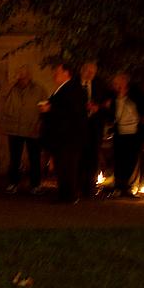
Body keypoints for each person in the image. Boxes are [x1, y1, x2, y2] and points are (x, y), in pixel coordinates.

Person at [39, 62, 87, 203]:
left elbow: (72, 112)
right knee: (62, 166)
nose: (55, 74)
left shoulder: (73, 89)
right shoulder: (62, 89)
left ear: (67, 73)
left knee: (68, 166)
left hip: (69, 137)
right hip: (61, 136)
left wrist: (50, 109)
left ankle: (69, 195)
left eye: (58, 71)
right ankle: (64, 194)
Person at [0, 65, 48, 195]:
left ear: (29, 76)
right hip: (14, 128)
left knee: (34, 158)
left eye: (24, 75)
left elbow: (45, 106)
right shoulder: (12, 88)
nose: (21, 77)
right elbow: (2, 94)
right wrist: (12, 81)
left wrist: (41, 123)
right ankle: (13, 183)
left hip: (32, 127)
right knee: (15, 158)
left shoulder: (38, 89)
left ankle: (35, 184)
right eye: (19, 74)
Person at [108, 73, 144, 198]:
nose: (116, 86)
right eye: (115, 84)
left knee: (131, 160)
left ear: (125, 82)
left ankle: (129, 187)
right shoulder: (113, 96)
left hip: (134, 132)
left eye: (118, 83)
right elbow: (111, 113)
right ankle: (119, 186)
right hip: (120, 132)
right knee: (119, 159)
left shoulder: (136, 94)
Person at [78, 62, 109, 197]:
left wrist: (98, 107)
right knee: (79, 156)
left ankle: (89, 188)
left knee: (92, 157)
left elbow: (106, 103)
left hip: (94, 126)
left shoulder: (99, 85)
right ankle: (77, 185)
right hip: (79, 126)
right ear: (82, 71)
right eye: (88, 71)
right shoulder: (75, 85)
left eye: (93, 72)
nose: (90, 74)